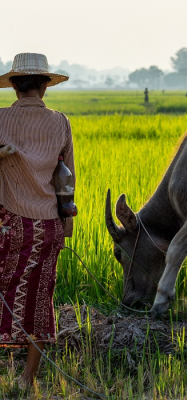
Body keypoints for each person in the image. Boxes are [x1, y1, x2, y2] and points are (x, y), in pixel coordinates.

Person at [0, 53, 74, 389]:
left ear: (15, 86)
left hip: (7, 224)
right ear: (44, 87)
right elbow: (66, 177)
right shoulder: (61, 122)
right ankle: (26, 379)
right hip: (48, 224)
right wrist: (67, 221)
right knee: (39, 298)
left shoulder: (0, 119)